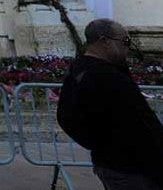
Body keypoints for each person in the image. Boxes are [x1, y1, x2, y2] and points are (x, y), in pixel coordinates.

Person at [57, 18, 163, 190]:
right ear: (104, 41)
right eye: (125, 41)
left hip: (120, 163)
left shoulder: (87, 70)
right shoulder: (100, 75)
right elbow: (139, 125)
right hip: (130, 167)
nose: (128, 46)